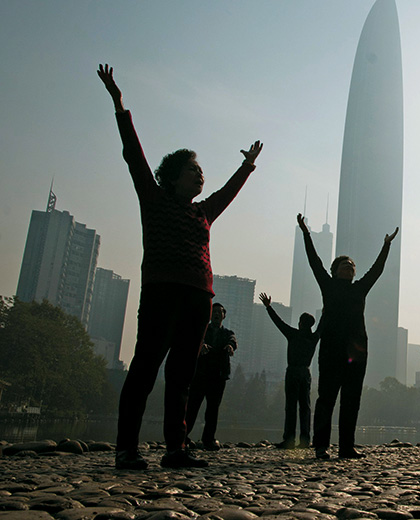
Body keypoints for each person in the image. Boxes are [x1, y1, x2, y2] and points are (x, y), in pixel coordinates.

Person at [98, 64, 263, 469]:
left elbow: (227, 193)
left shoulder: (203, 213)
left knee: (181, 377)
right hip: (161, 293)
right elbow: (132, 154)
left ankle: (177, 448)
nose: (200, 173)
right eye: (192, 168)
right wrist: (120, 105)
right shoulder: (153, 200)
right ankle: (126, 448)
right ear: (172, 177)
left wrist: (247, 166)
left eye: (200, 168)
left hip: (198, 300)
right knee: (144, 368)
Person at [297, 213, 398, 459]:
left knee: (352, 400)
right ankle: (321, 446)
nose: (349, 267)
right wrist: (306, 233)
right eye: (344, 265)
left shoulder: (360, 288)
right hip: (331, 348)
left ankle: (346, 447)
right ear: (334, 271)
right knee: (326, 399)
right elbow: (314, 261)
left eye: (352, 265)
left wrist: (386, 245)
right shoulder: (328, 285)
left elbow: (377, 270)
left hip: (357, 350)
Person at [259, 292, 319, 450]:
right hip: (305, 373)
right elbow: (323, 325)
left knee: (291, 406)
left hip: (292, 372)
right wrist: (326, 313)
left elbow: (278, 322)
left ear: (300, 323)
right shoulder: (313, 338)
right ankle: (305, 439)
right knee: (305, 407)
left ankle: (289, 440)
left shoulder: (293, 334)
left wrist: (268, 307)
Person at [184, 303, 237, 451]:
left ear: (224, 316)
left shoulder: (227, 333)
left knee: (213, 409)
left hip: (218, 376)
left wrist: (230, 347)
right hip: (201, 374)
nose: (217, 315)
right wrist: (201, 346)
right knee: (193, 407)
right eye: (214, 312)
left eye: (220, 312)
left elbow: (232, 340)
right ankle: (183, 437)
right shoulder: (202, 331)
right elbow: (194, 340)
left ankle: (208, 439)